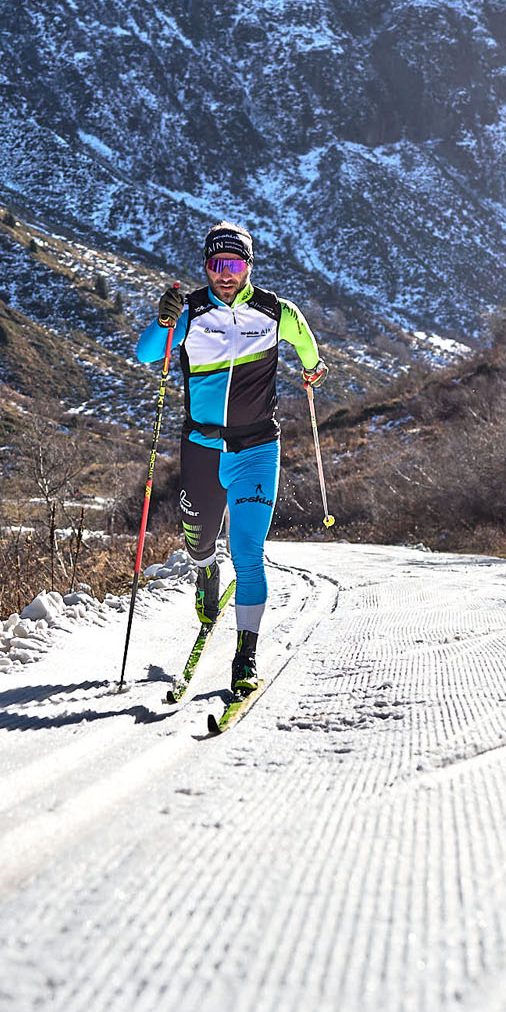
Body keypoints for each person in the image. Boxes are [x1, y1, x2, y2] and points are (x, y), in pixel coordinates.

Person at [135, 222, 326, 693]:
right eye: (217, 265)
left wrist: (313, 369)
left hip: (257, 448)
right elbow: (145, 354)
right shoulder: (190, 312)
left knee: (248, 552)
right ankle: (204, 571)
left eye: (235, 264)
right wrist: (163, 321)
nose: (226, 274)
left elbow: (304, 340)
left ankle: (246, 655)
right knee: (199, 543)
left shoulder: (275, 311)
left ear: (248, 266)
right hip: (201, 447)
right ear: (206, 266)